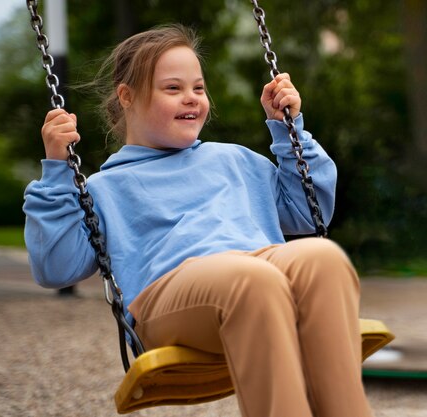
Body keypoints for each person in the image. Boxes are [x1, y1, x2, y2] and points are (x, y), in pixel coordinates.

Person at [23, 24, 373, 417]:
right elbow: (56, 266)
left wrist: (288, 127)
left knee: (321, 257)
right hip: (169, 297)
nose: (191, 98)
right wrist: (56, 169)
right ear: (127, 97)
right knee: (253, 279)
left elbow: (311, 212)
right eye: (173, 89)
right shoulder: (104, 189)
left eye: (199, 88)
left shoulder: (236, 160)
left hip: (258, 271)